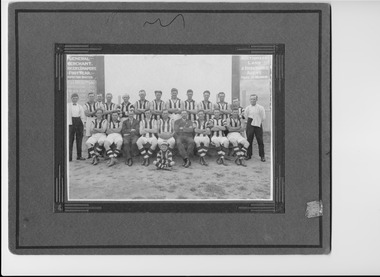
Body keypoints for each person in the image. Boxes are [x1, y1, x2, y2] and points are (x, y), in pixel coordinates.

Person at [244, 94, 266, 162]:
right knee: (249, 140)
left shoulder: (260, 107)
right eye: (251, 99)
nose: (252, 100)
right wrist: (249, 122)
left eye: (254, 99)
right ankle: (249, 155)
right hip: (250, 123)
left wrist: (257, 121)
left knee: (260, 140)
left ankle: (262, 156)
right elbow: (245, 116)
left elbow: (263, 117)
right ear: (249, 100)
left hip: (258, 124)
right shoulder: (247, 108)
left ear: (256, 100)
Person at [68, 93, 86, 161]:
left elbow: (82, 117)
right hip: (71, 123)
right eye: (73, 98)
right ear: (71, 98)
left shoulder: (80, 106)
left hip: (78, 122)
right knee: (70, 140)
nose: (74, 99)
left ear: (78, 99)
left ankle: (79, 156)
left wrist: (82, 125)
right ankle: (69, 157)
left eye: (76, 98)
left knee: (79, 140)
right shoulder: (68, 105)